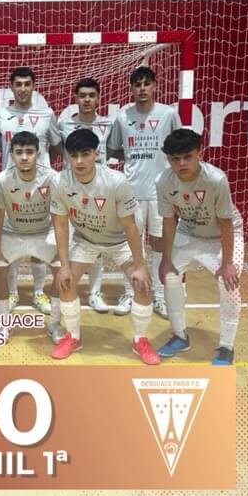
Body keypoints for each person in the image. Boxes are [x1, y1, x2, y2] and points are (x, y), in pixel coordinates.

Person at [50, 128, 160, 364]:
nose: (79, 161)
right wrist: (64, 266)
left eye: (85, 154)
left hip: (121, 241)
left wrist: (140, 265)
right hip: (86, 240)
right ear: (68, 157)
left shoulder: (116, 181)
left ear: (96, 154)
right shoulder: (60, 182)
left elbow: (131, 227)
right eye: (74, 156)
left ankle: (140, 340)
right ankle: (73, 337)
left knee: (143, 285)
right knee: (65, 282)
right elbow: (60, 225)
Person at [156, 128, 243, 365]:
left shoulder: (216, 179)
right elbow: (169, 221)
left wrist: (227, 263)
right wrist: (166, 260)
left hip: (223, 234)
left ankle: (226, 347)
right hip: (189, 232)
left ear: (199, 154)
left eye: (187, 157)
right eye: (175, 159)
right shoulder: (163, 182)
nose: (182, 163)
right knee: (170, 277)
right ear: (168, 159)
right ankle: (179, 336)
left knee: (229, 283)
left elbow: (226, 223)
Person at [108, 66, 180, 318]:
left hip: (161, 193)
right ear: (131, 88)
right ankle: (130, 292)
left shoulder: (168, 114)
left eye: (146, 84)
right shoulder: (122, 117)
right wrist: (133, 159)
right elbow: (113, 148)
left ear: (154, 86)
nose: (142, 89)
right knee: (131, 244)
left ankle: (158, 295)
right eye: (137, 84)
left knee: (160, 245)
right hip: (132, 192)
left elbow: (178, 146)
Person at [0, 66, 62, 315]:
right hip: (10, 188)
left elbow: (57, 147)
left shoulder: (46, 114)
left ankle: (38, 292)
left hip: (40, 188)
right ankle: (12, 293)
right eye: (18, 84)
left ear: (34, 86)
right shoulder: (0, 114)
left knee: (40, 242)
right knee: (8, 242)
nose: (23, 88)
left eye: (27, 83)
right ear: (11, 87)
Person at [0, 132, 60, 342]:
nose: (24, 157)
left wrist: (61, 250)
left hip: (43, 233)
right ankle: (3, 325)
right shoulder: (1, 179)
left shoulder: (52, 177)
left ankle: (55, 325)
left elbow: (59, 216)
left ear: (38, 154)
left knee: (62, 270)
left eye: (29, 152)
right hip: (12, 233)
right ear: (12, 155)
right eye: (19, 152)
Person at [57, 77, 115, 314]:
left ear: (99, 98)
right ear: (76, 98)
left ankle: (94, 293)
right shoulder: (63, 124)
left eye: (91, 95)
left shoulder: (109, 124)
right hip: (70, 192)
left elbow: (115, 150)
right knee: (67, 242)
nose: (87, 100)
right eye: (82, 96)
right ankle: (66, 290)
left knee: (96, 243)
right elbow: (53, 149)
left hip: (99, 193)